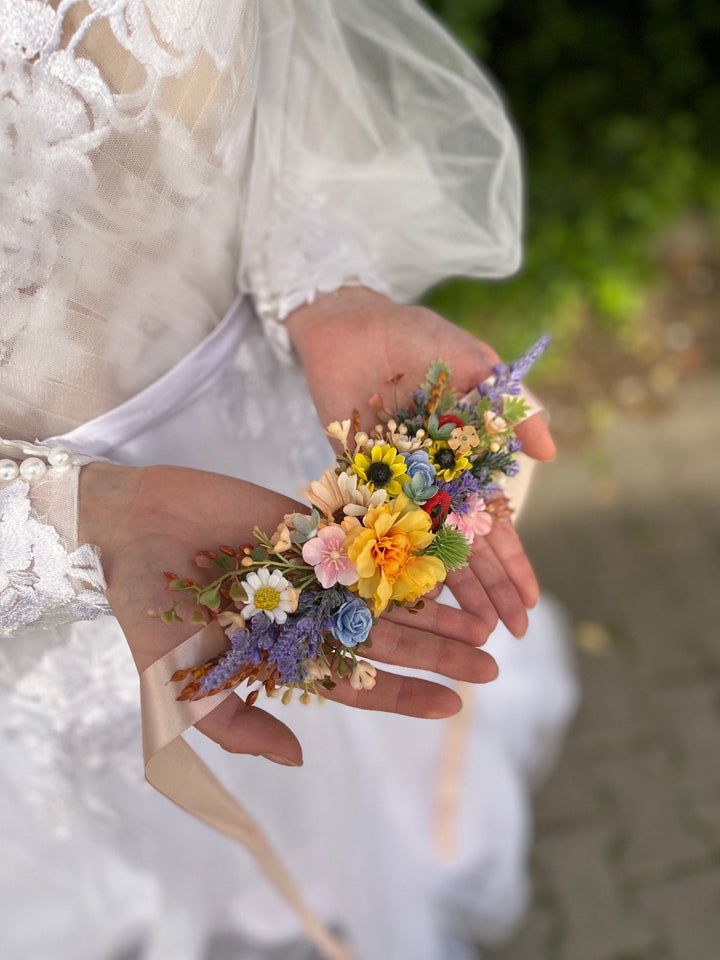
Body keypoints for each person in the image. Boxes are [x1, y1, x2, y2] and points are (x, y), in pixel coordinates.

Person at [0, 2, 578, 959]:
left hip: (279, 437)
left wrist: (324, 290)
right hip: (74, 566)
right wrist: (77, 524)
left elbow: (269, 81)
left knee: (350, 749)